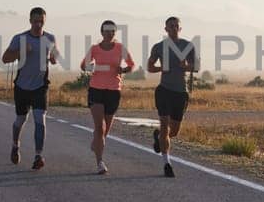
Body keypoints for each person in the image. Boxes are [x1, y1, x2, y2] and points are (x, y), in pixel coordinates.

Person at [1, 6, 59, 169]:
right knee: (21, 120)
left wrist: (54, 58)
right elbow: (5, 58)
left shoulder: (50, 38)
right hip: (22, 86)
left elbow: (55, 56)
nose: (38, 25)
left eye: (41, 21)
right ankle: (15, 145)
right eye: (35, 21)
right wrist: (20, 52)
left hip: (41, 86)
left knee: (40, 120)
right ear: (30, 21)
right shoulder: (19, 38)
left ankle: (38, 156)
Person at [80, 20, 135, 175]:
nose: (109, 33)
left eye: (112, 31)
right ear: (102, 32)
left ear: (115, 33)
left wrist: (123, 69)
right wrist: (94, 67)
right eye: (106, 31)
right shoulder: (95, 49)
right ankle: (100, 162)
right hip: (96, 89)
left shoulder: (120, 48)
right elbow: (84, 65)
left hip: (113, 90)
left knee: (105, 131)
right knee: (99, 127)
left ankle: (96, 143)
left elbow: (131, 64)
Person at [147, 15, 197, 178]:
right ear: (166, 29)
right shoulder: (159, 47)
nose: (174, 28)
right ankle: (167, 163)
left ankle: (159, 137)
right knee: (164, 125)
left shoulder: (188, 45)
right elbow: (150, 67)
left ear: (180, 29)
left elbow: (196, 67)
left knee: (173, 131)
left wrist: (186, 66)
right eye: (171, 26)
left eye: (176, 26)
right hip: (164, 90)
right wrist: (162, 68)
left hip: (181, 93)